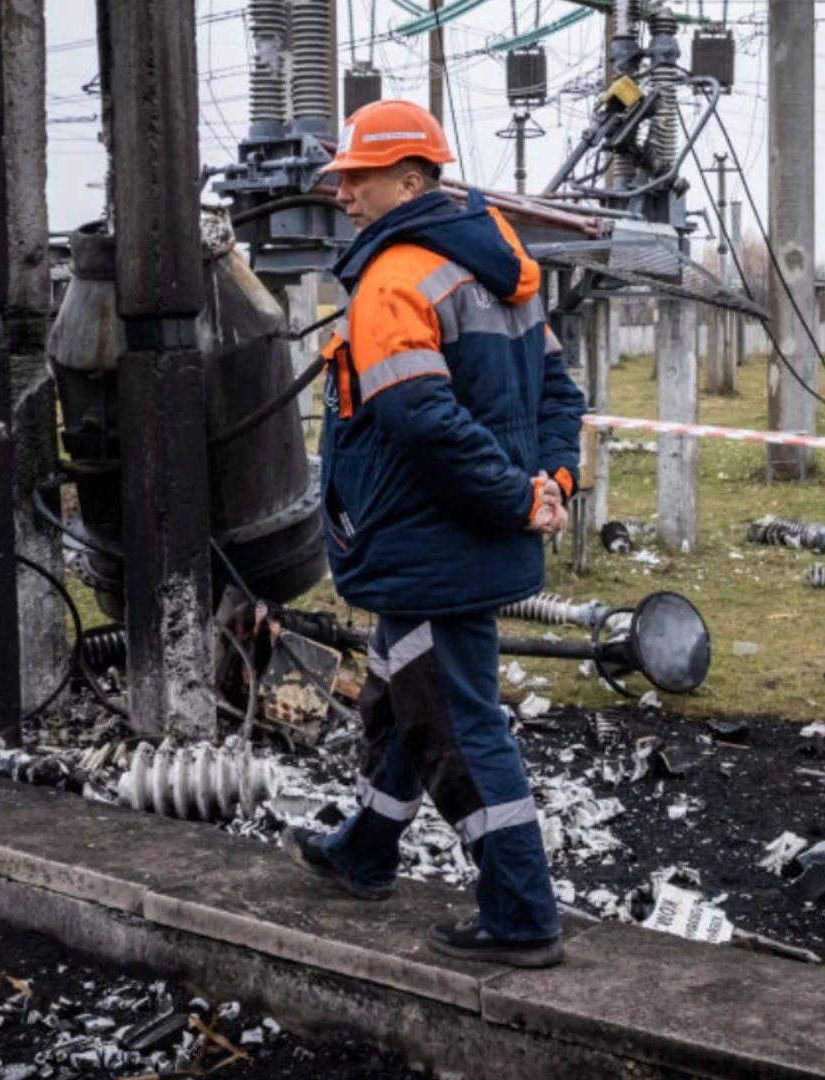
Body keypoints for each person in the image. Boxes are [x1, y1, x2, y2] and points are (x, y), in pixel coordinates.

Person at [283, 99, 585, 969]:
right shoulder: (500, 272)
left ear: (411, 179)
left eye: (359, 178)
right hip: (458, 538)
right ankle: (366, 852)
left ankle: (521, 914)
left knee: (454, 724)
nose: (344, 192)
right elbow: (560, 397)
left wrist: (515, 498)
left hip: (429, 542)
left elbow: (420, 419)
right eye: (342, 178)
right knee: (395, 696)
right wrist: (548, 485)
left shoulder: (394, 280)